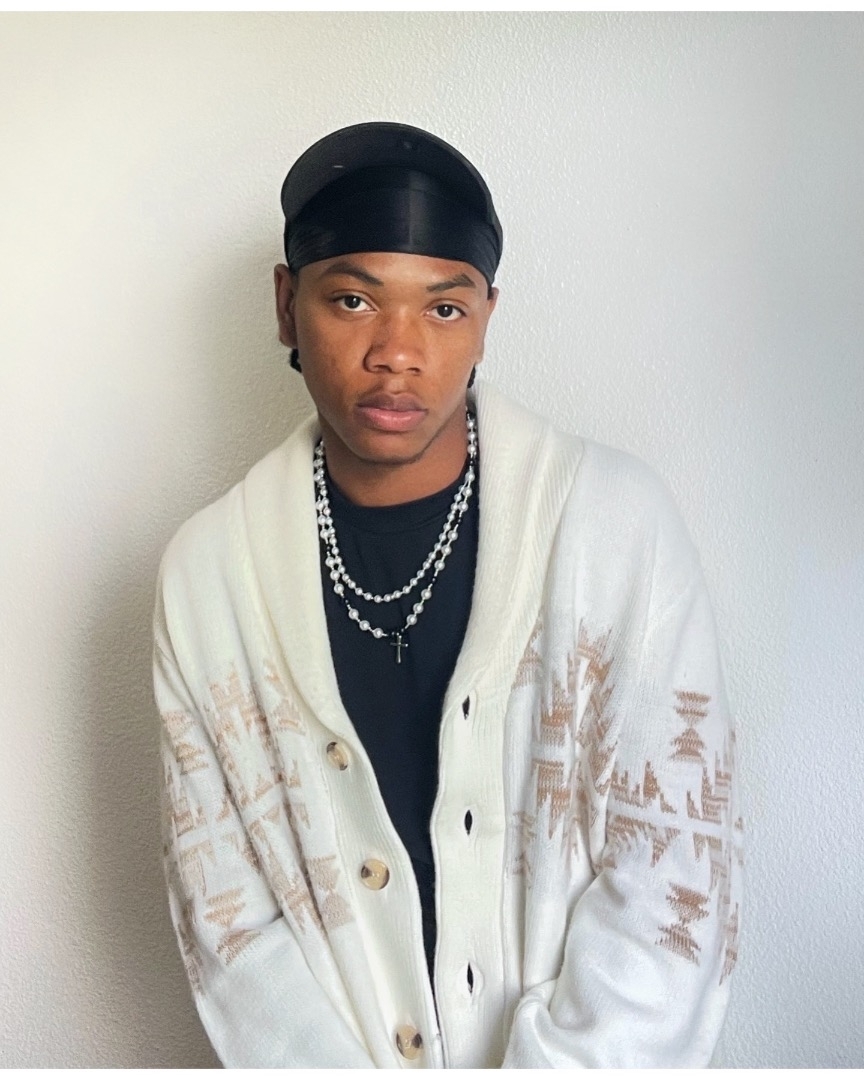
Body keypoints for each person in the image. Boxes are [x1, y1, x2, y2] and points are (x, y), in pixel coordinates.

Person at [153, 122, 741, 1068]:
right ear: (286, 305)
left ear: (487, 317)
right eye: (352, 299)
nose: (397, 352)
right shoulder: (208, 576)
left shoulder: (612, 530)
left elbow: (674, 873)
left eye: (444, 308)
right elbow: (226, 920)